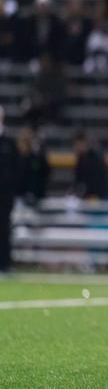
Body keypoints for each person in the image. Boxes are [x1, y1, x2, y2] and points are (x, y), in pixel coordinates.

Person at [0, 107, 18, 275]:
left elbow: (16, 169)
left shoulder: (9, 142)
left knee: (4, 229)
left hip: (4, 196)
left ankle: (5, 264)